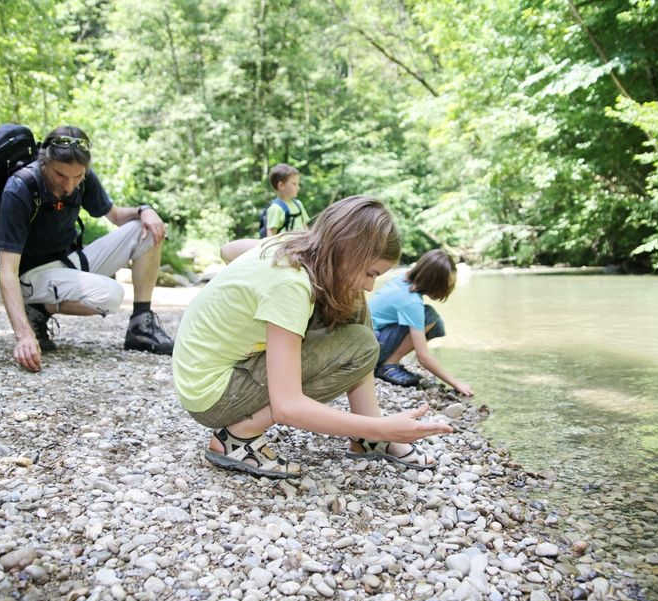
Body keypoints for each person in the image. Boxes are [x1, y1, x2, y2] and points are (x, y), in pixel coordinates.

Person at [173, 196, 453, 479]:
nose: (370, 285)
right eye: (370, 273)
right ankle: (237, 438)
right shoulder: (290, 285)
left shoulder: (294, 245)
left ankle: (370, 434)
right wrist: (384, 428)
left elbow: (228, 249)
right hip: (213, 396)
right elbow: (288, 407)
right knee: (362, 346)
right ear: (346, 251)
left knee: (352, 299)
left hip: (199, 373)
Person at [0, 126, 175, 372]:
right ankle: (36, 309)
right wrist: (24, 335)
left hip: (67, 262)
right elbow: (7, 270)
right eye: (60, 175)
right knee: (111, 295)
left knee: (146, 229)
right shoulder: (20, 188)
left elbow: (115, 215)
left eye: (77, 177)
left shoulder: (82, 178)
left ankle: (141, 326)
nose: (69, 186)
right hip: (30, 276)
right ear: (45, 162)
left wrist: (145, 210)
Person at [369, 249, 474, 396]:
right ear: (435, 282)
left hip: (369, 343)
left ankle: (389, 363)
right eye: (448, 284)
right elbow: (423, 356)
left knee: (434, 323)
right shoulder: (411, 302)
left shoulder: (402, 280)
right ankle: (388, 366)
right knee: (430, 316)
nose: (449, 289)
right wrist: (456, 383)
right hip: (371, 348)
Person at [262, 163, 309, 236]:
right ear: (281, 185)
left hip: (300, 244)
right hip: (284, 246)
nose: (298, 187)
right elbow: (271, 233)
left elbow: (305, 226)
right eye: (294, 184)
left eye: (298, 184)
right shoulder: (275, 208)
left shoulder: (298, 204)